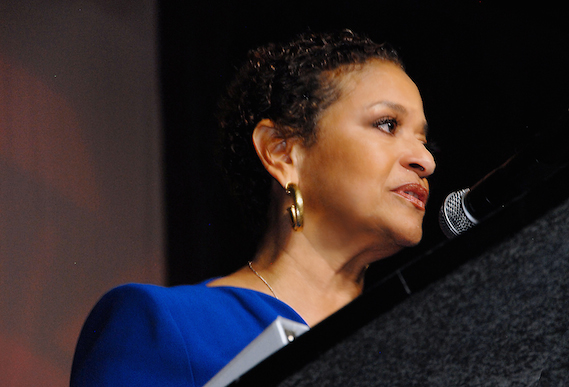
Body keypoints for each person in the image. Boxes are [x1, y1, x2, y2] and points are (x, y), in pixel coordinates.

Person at [70, 29, 436, 386]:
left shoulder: (423, 352)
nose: (425, 160)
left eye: (423, 139)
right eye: (387, 124)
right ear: (281, 152)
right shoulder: (165, 325)